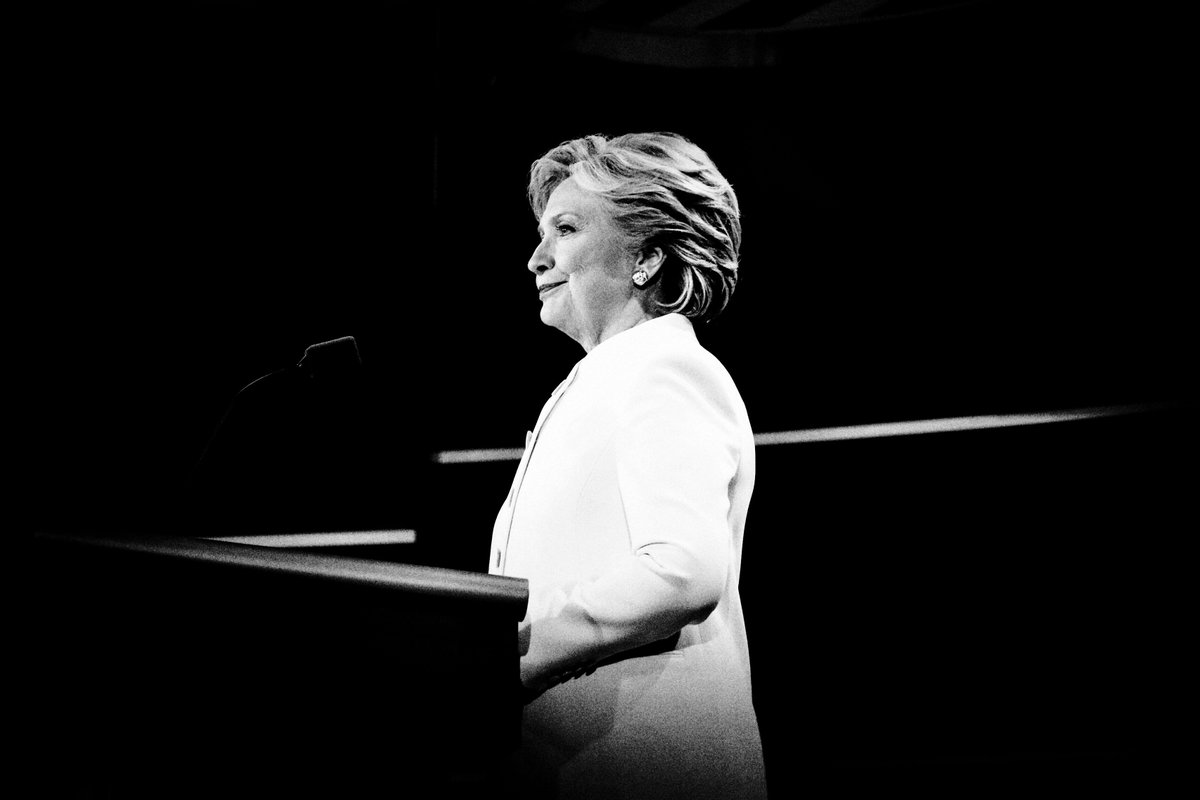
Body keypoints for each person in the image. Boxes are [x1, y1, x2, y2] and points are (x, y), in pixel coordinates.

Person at [488, 132, 767, 799]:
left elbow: (684, 570)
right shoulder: (607, 376)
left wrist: (520, 652)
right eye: (541, 232)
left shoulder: (663, 367)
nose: (536, 258)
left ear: (645, 258)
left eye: (566, 229)